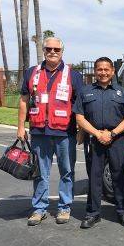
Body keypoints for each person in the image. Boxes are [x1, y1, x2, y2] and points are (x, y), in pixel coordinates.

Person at [18, 37, 83, 226]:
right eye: (49, 48)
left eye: (56, 49)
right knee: (40, 173)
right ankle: (39, 209)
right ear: (44, 50)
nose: (52, 52)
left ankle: (64, 207)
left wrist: (81, 130)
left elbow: (80, 103)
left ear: (62, 51)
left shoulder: (73, 75)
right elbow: (23, 100)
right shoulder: (32, 73)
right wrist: (21, 126)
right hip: (39, 132)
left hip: (65, 132)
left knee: (67, 171)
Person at [73, 57, 124, 228]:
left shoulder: (121, 92)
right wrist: (97, 133)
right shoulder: (85, 92)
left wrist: (112, 133)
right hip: (94, 139)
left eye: (106, 69)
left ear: (112, 71)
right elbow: (79, 117)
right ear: (95, 71)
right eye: (99, 69)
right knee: (94, 178)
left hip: (117, 139)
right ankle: (93, 213)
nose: (103, 72)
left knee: (119, 176)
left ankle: (123, 212)